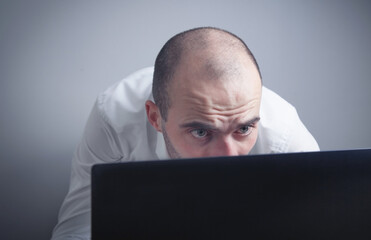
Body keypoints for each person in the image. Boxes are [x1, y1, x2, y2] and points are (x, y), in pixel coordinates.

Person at [51, 27, 319, 239]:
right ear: (155, 117)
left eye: (244, 129)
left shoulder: (284, 134)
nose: (228, 158)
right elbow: (77, 230)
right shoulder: (114, 118)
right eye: (201, 131)